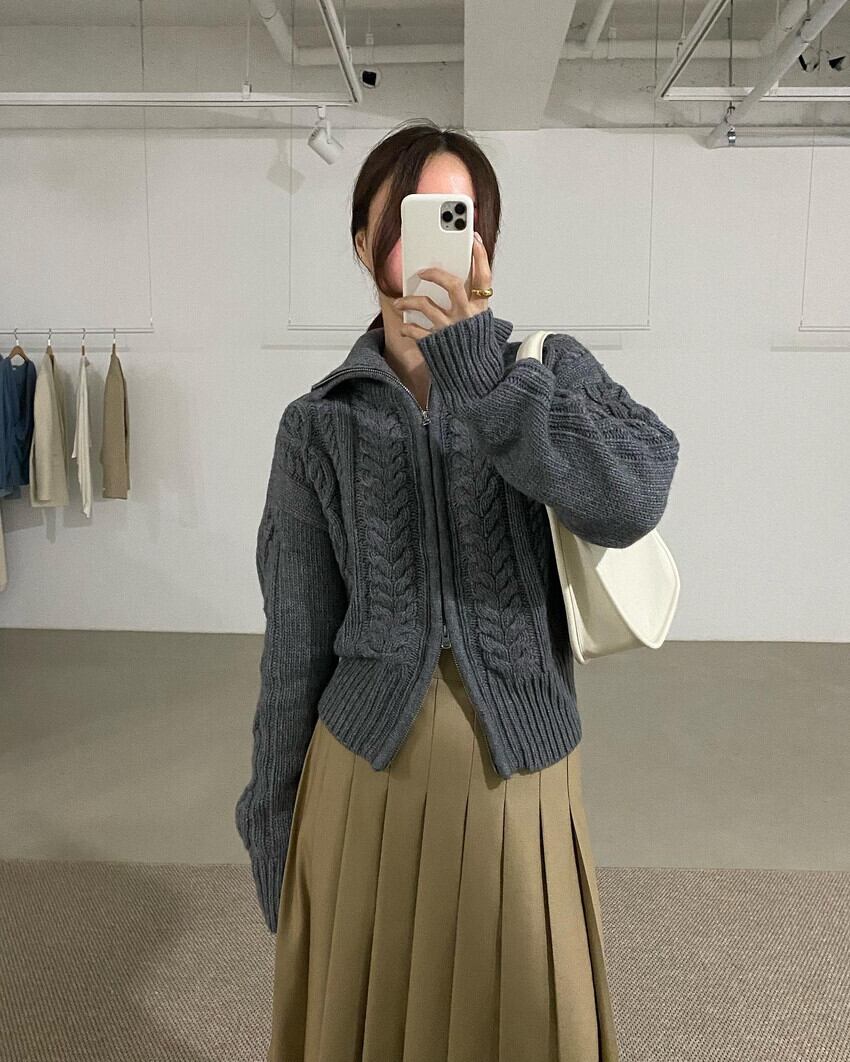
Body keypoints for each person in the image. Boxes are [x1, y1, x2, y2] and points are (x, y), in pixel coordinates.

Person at [236, 119, 680, 1062]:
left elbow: (635, 493)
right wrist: (273, 819)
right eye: (409, 214)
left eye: (455, 215)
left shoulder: (545, 372)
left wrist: (483, 379)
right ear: (365, 240)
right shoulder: (317, 425)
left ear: (484, 244)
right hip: (363, 784)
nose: (431, 237)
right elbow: (294, 644)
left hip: (518, 778)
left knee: (530, 1017)